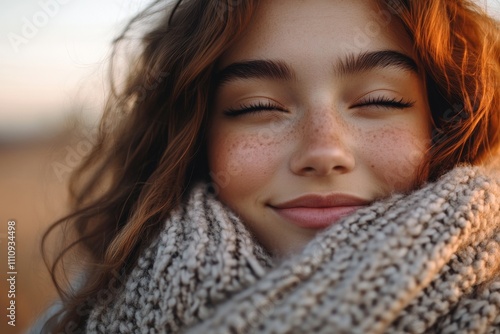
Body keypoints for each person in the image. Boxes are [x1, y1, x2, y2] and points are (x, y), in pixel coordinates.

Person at [39, 0, 500, 332]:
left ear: (446, 120)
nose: (324, 151)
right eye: (257, 107)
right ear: (197, 139)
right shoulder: (78, 309)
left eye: (379, 100)